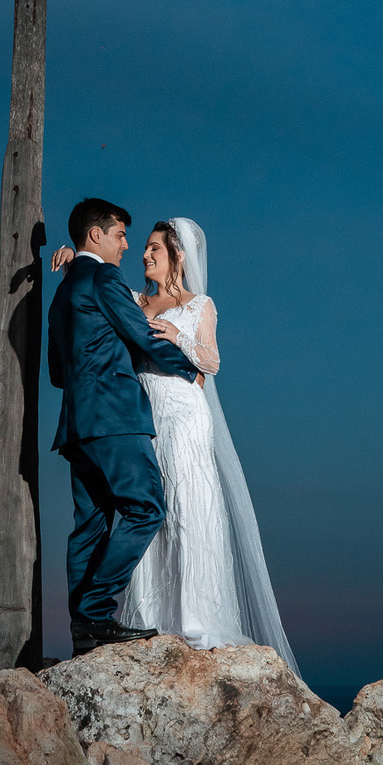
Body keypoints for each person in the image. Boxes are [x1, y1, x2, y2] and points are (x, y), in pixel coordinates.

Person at [52, 216, 299, 668]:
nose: (143, 254)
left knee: (185, 508)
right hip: (141, 416)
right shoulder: (132, 299)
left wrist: (181, 337)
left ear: (178, 256)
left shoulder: (200, 305)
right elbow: (92, 297)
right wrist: (73, 261)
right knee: (143, 512)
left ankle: (195, 616)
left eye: (154, 248)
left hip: (183, 415)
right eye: (140, 246)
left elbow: (212, 362)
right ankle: (146, 615)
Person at [47, 198, 200, 656]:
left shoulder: (63, 289)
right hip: (115, 418)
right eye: (119, 235)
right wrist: (189, 367)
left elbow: (57, 372)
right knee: (146, 508)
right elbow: (140, 332)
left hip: (77, 425)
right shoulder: (103, 276)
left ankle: (82, 631)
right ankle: (96, 611)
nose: (126, 246)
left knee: (90, 525)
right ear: (96, 235)